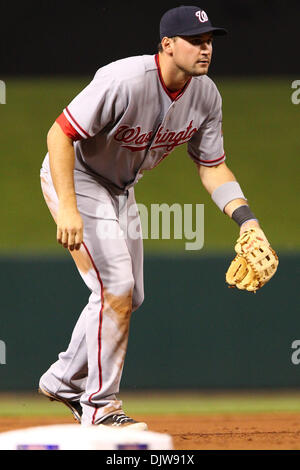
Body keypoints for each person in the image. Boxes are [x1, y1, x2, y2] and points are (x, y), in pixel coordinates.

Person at [38, 5, 271, 428]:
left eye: (209, 41)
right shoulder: (124, 79)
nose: (206, 49)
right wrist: (68, 207)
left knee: (131, 296)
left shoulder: (206, 96)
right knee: (116, 286)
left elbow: (212, 165)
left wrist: (247, 220)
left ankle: (62, 380)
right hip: (77, 176)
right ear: (167, 44)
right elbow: (60, 133)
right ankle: (100, 408)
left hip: (121, 190)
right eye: (195, 41)